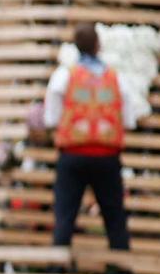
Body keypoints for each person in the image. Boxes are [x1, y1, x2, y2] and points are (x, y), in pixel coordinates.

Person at [44, 23, 141, 254]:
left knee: (65, 215)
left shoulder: (66, 75)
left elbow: (51, 116)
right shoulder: (114, 77)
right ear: (98, 45)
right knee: (114, 217)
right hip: (107, 156)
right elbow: (128, 117)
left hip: (73, 155)